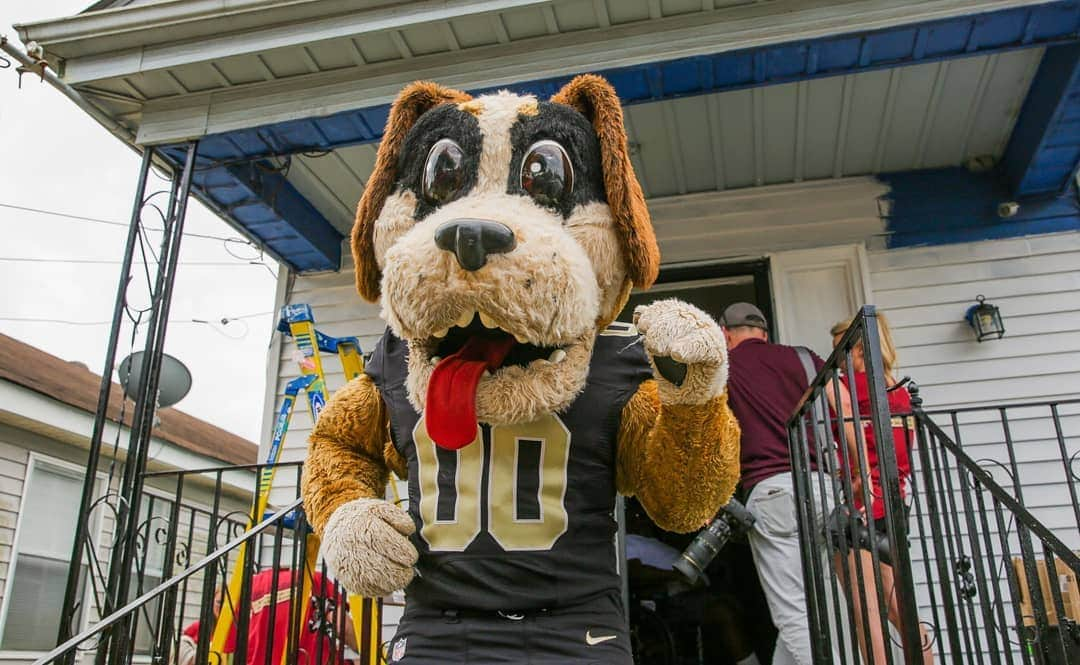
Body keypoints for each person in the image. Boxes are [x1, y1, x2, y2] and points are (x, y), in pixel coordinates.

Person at [720, 302, 858, 665]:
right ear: (765, 333)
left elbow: (711, 437)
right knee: (824, 606)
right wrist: (860, 473)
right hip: (822, 487)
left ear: (725, 334)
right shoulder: (804, 357)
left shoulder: (721, 369)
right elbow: (845, 410)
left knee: (794, 612)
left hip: (771, 492)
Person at [830, 315, 933, 664]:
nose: (834, 363)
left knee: (867, 612)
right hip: (894, 504)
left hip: (862, 506)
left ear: (857, 348)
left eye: (838, 352)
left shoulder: (852, 387)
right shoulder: (896, 389)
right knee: (900, 608)